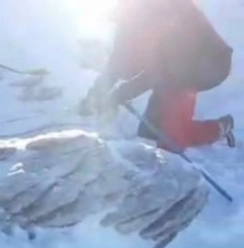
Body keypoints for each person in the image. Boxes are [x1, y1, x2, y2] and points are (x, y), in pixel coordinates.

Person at [80, 0, 235, 152]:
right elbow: (117, 63)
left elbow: (159, 71)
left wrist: (122, 93)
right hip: (175, 69)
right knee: (150, 132)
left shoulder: (164, 13)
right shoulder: (130, 18)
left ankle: (220, 128)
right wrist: (93, 97)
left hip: (205, 65)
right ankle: (170, 130)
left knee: (170, 141)